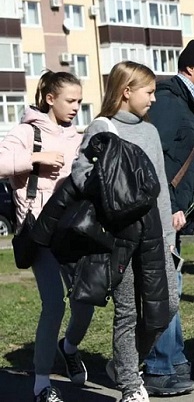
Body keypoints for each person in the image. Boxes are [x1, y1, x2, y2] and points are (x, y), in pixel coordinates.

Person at [70, 61, 179, 402]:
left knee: (167, 306)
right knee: (128, 311)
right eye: (148, 92)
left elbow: (160, 188)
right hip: (119, 237)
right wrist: (107, 179)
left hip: (154, 238)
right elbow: (80, 174)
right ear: (126, 91)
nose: (154, 99)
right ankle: (131, 385)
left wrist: (168, 240)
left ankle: (125, 363)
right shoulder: (102, 128)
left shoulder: (149, 131)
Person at [0, 71, 95, 402]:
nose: (76, 107)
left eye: (80, 101)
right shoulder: (27, 132)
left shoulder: (78, 136)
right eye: (70, 100)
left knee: (86, 300)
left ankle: (68, 348)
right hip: (40, 233)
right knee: (53, 305)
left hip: (75, 232)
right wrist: (34, 159)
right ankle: (42, 384)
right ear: (50, 98)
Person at [143, 39, 194, 396]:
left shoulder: (185, 102)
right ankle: (159, 367)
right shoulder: (171, 102)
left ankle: (173, 361)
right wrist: (169, 204)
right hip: (162, 212)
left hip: (173, 212)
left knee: (172, 288)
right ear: (190, 68)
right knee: (164, 291)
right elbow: (152, 161)